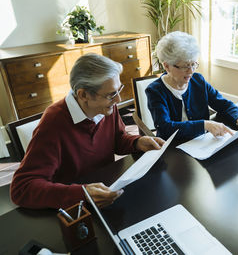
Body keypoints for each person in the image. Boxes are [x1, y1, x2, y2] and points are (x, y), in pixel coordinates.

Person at [10, 53, 165, 209]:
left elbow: (117, 139)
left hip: (105, 194)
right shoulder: (53, 123)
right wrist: (81, 194)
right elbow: (22, 188)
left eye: (118, 90)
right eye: (111, 94)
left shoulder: (107, 107)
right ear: (83, 95)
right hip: (74, 210)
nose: (118, 99)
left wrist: (137, 142)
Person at [146, 31, 238, 141]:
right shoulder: (155, 91)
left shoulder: (198, 80)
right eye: (185, 66)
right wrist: (204, 125)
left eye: (193, 64)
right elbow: (165, 127)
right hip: (172, 147)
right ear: (167, 66)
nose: (191, 71)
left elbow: (224, 104)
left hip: (201, 142)